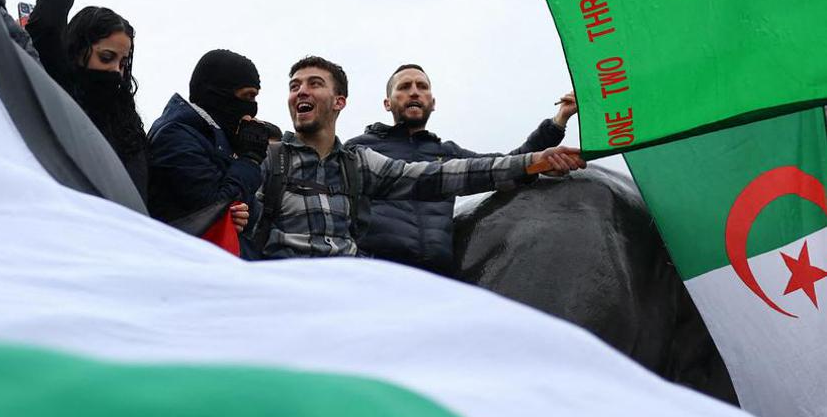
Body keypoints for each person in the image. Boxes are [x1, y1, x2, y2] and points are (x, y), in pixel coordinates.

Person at [248, 55, 584, 259]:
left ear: (339, 101)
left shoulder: (362, 164)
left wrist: (549, 138)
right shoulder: (275, 160)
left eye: (422, 87)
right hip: (356, 275)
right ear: (387, 102)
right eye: (294, 86)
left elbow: (483, 170)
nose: (301, 91)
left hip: (397, 285)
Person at [346, 63, 578, 275]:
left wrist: (558, 120)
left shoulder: (449, 154)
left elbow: (506, 164)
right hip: (376, 272)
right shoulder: (360, 150)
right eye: (405, 87)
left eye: (422, 86)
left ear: (433, 103)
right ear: (388, 103)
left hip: (437, 277)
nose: (414, 92)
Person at [24, 0, 149, 198]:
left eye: (123, 62)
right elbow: (45, 26)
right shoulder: (62, 91)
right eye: (106, 57)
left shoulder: (125, 119)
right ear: (80, 50)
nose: (116, 70)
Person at [147, 50, 270, 238]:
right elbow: (214, 212)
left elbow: (249, 216)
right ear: (218, 92)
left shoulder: (216, 140)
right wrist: (250, 159)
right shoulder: (175, 136)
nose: (252, 108)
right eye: (247, 96)